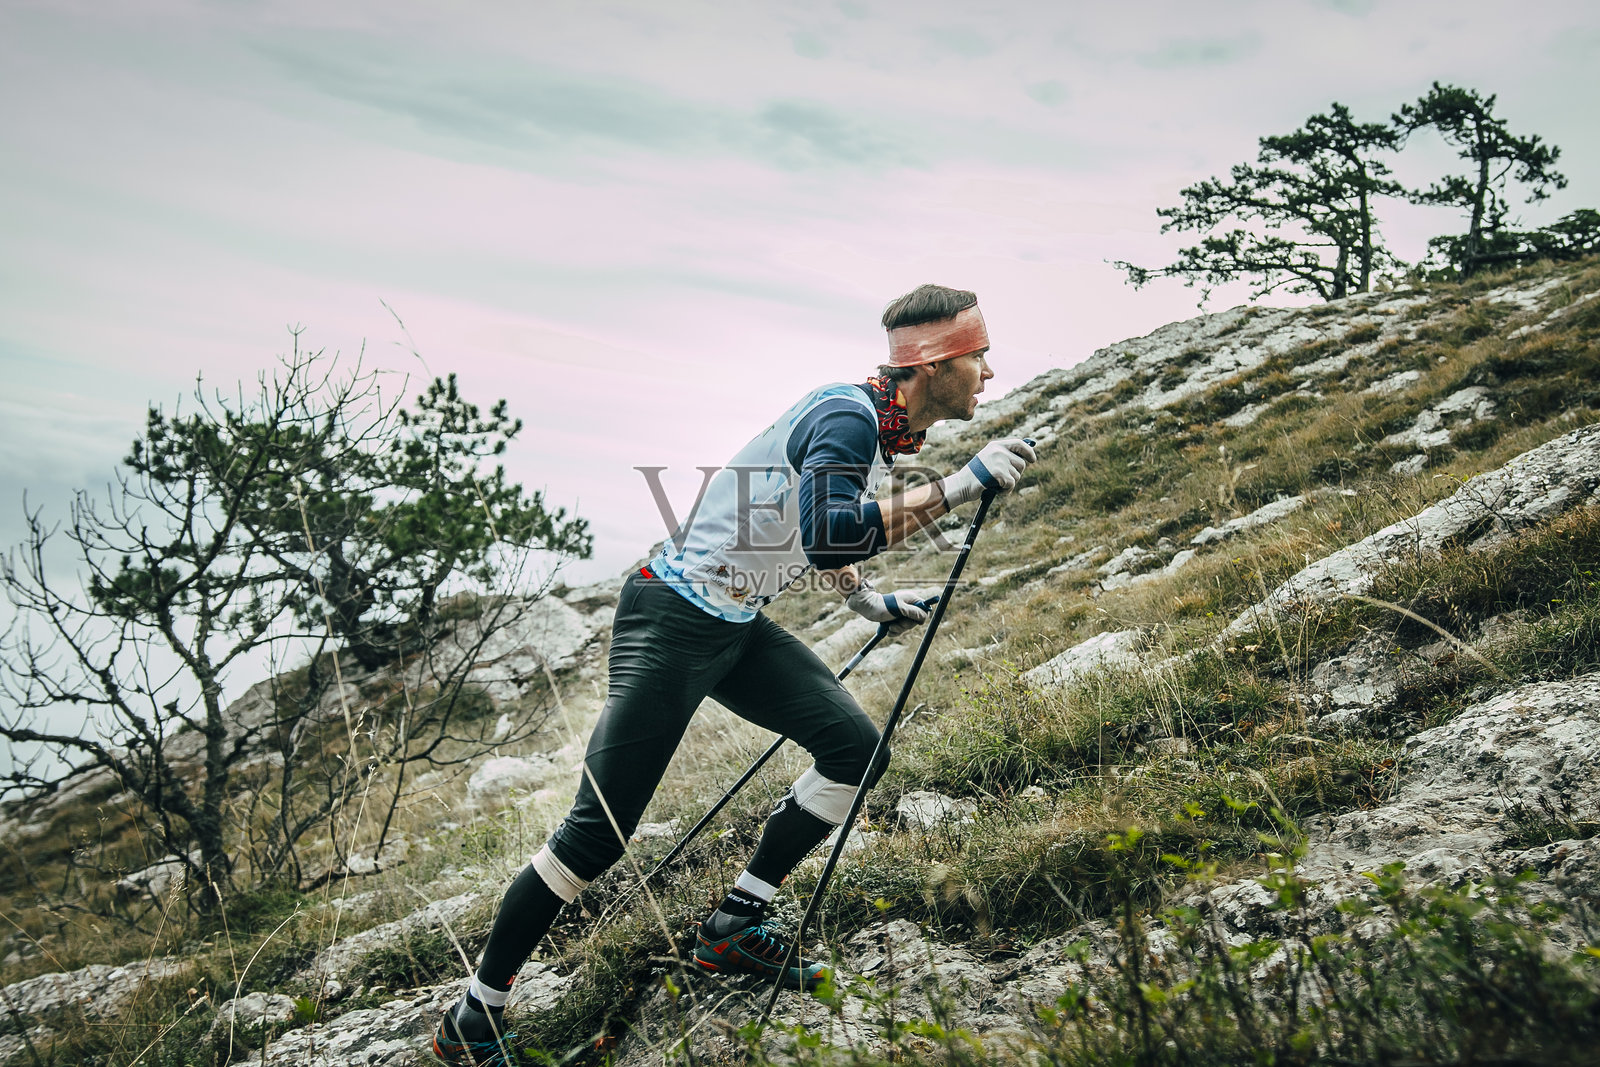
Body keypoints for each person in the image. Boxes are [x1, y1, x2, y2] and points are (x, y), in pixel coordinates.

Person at [432, 283, 1036, 1064]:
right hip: (672, 618)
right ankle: (474, 1018)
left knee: (856, 748)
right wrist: (962, 487)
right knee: (596, 835)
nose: (990, 370)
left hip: (733, 620)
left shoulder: (870, 424)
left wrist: (865, 603)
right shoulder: (850, 417)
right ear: (934, 364)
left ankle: (734, 925)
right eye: (979, 355)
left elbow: (787, 519)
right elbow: (828, 533)